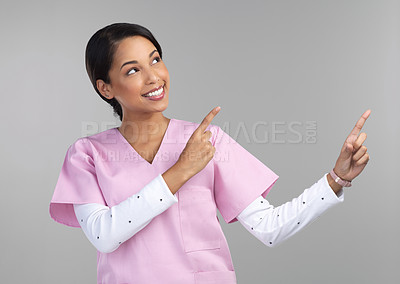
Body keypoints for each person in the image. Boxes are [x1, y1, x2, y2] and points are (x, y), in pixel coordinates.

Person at [49, 23, 371, 284]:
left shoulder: (205, 140)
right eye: (133, 70)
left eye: (156, 59)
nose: (154, 77)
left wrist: (336, 178)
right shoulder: (87, 155)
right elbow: (104, 235)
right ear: (106, 88)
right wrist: (180, 171)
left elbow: (270, 228)